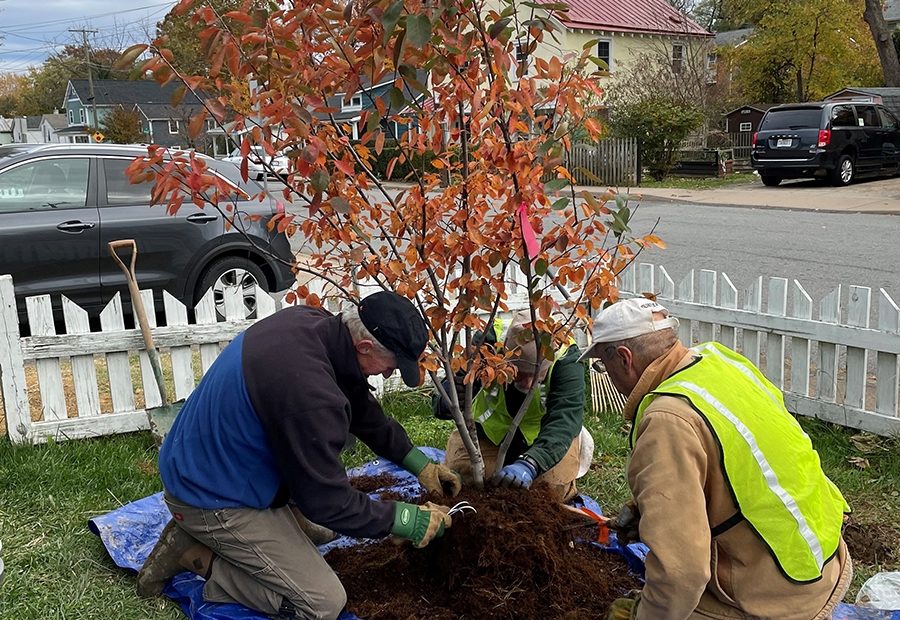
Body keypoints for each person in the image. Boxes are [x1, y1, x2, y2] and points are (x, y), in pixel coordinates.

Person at [137, 291, 462, 620]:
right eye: (391, 364)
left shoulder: (315, 326)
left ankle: (223, 532)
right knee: (322, 603)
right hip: (209, 495)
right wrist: (405, 520)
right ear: (365, 347)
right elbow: (328, 503)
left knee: (322, 532)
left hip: (212, 462)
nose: (390, 373)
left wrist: (418, 464)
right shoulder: (309, 395)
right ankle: (197, 556)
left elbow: (362, 408)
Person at [579, 298, 852, 620]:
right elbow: (741, 460)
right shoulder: (722, 361)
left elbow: (682, 573)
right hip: (824, 560)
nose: (607, 375)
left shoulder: (668, 419)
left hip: (777, 598)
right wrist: (647, 510)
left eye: (603, 365)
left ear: (625, 359)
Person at [437, 311, 591, 501]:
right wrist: (446, 400)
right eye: (520, 373)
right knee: (464, 480)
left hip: (545, 437)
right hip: (490, 433)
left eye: (535, 375)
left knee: (549, 490)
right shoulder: (488, 344)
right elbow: (452, 387)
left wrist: (531, 463)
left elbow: (564, 421)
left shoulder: (566, 359)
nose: (528, 384)